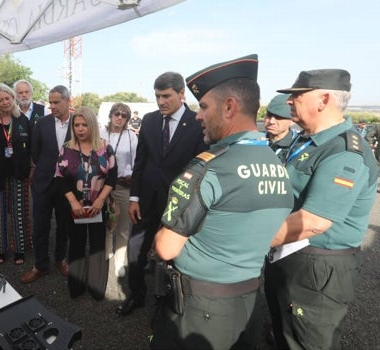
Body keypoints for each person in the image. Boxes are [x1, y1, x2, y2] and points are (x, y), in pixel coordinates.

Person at [149, 54, 294, 349]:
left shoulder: (208, 167)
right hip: (251, 301)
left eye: (203, 106)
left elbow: (166, 247)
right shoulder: (277, 161)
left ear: (229, 107)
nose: (198, 115)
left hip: (202, 308)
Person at [265, 69, 379, 349]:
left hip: (317, 269)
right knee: (283, 334)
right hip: (288, 255)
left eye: (296, 96)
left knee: (308, 341)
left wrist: (245, 241)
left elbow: (314, 221)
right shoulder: (306, 140)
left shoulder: (343, 150)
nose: (289, 102)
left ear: (323, 99)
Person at [116, 72, 207, 316]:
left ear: (181, 94)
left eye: (166, 96)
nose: (161, 101)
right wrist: (134, 198)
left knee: (172, 256)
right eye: (157, 96)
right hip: (145, 201)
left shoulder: (197, 122)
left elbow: (200, 168)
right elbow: (141, 161)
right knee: (135, 251)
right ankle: (136, 295)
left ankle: (168, 302)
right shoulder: (150, 120)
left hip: (179, 204)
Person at [55, 106, 117, 300]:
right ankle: (76, 285)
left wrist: (99, 201)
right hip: (76, 209)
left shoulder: (105, 147)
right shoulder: (67, 148)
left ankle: (97, 287)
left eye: (84, 125)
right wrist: (73, 202)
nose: (80, 129)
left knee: (98, 246)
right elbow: (59, 178)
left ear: (92, 125)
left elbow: (112, 178)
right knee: (76, 245)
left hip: (98, 207)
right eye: (76, 125)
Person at [20, 85, 72, 283]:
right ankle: (41, 265)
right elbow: (35, 151)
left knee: (64, 224)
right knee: (40, 225)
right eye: (50, 102)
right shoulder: (41, 123)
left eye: (56, 102)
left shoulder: (78, 122)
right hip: (43, 182)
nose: (52, 106)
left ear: (69, 101)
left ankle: (60, 259)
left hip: (67, 185)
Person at [0, 83, 32, 265]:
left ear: (13, 99)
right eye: (1, 99)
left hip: (19, 174)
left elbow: (31, 149)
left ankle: (20, 249)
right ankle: (0, 250)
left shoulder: (23, 120)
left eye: (8, 98)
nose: (5, 102)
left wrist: (30, 170)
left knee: (20, 213)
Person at [99, 103, 138, 283]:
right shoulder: (100, 133)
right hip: (101, 185)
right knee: (106, 224)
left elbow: (137, 162)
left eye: (124, 115)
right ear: (111, 115)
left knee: (123, 226)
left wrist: (131, 175)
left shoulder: (131, 137)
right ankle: (107, 255)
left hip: (122, 185)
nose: (120, 117)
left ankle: (120, 261)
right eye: (117, 113)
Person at [264, 93, 297, 162]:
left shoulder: (297, 145)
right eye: (269, 115)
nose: (271, 121)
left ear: (292, 121)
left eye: (279, 117)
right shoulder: (255, 141)